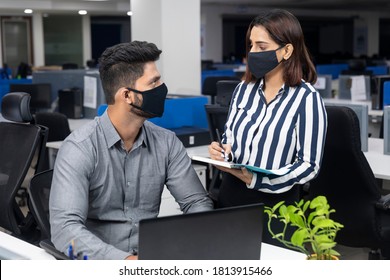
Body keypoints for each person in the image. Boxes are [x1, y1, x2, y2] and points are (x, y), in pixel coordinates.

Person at [49, 41, 214, 260]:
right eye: (154, 82)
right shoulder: (80, 148)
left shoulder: (167, 143)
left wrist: (187, 242)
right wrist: (127, 263)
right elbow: (65, 229)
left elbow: (197, 203)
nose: (162, 88)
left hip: (154, 257)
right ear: (127, 95)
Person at [208, 9, 327, 244]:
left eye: (261, 47)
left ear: (286, 50)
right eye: (251, 46)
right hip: (231, 195)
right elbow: (231, 135)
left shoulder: (307, 98)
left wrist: (259, 180)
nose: (253, 53)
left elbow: (309, 165)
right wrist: (223, 151)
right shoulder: (243, 89)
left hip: (275, 206)